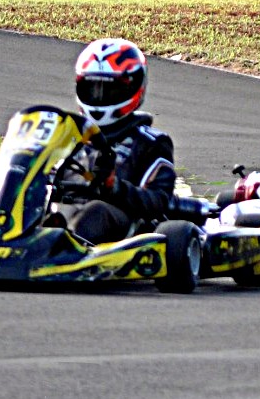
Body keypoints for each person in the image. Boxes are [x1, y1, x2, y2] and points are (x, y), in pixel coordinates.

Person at [59, 37, 186, 244]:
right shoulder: (69, 135)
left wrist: (114, 186)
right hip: (65, 212)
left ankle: (63, 249)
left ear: (134, 88)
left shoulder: (151, 142)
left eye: (110, 89)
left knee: (95, 211)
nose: (99, 96)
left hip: (126, 225)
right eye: (92, 88)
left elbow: (158, 201)